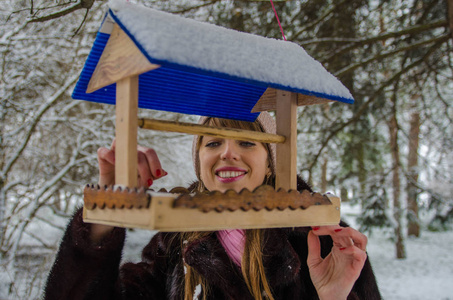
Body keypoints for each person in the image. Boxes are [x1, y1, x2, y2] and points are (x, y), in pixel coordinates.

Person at [44, 112, 381, 300]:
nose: (227, 153)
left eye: (248, 142)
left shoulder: (322, 240)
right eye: (214, 142)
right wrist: (105, 214)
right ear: (200, 159)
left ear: (270, 163)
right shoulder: (175, 240)